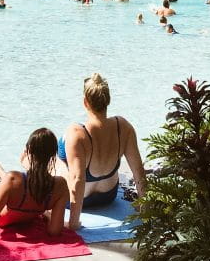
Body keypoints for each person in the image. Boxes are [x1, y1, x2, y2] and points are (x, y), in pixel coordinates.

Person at [58, 73, 147, 231]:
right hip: (108, 195)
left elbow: (78, 179)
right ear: (108, 100)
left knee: (55, 158)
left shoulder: (77, 132)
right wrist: (146, 211)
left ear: (85, 102)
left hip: (78, 199)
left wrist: (73, 223)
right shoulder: (123, 127)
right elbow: (138, 171)